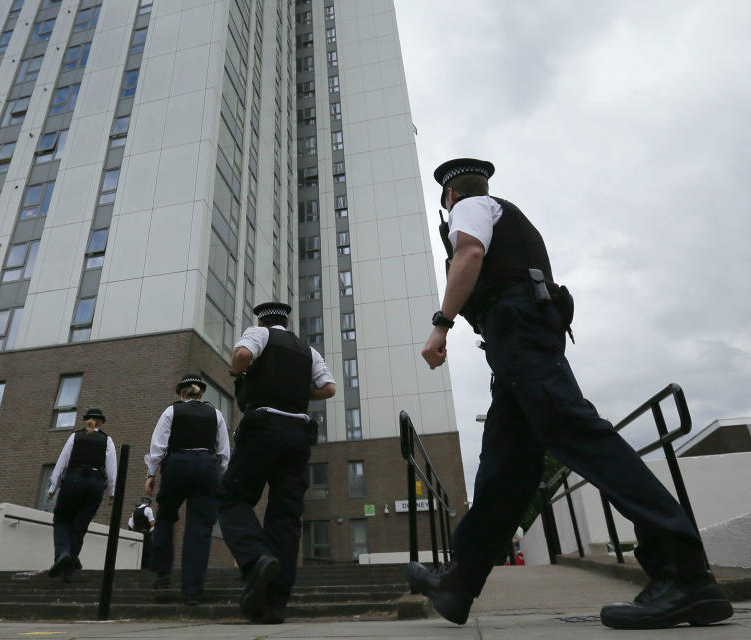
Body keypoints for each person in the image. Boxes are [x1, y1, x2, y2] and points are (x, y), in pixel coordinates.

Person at [409, 158, 733, 630]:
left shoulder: (471, 208)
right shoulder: (511, 217)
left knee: (575, 431)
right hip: (519, 337)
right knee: (505, 468)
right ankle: (459, 581)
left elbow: (470, 254)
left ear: (449, 197)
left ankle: (684, 573)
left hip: (516, 332)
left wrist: (441, 325)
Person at [219, 302, 336, 624]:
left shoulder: (259, 334)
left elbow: (242, 356)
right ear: (288, 321)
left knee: (232, 498)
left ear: (261, 319)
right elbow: (329, 388)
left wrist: (237, 373)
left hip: (263, 426)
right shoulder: (307, 351)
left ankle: (256, 559)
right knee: (285, 517)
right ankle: (274, 606)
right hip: (298, 434)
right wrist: (297, 392)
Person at [144, 374, 230, 605]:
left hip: (177, 464)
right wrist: (217, 475)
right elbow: (224, 452)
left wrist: (151, 474)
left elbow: (158, 447)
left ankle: (162, 574)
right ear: (201, 394)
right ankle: (192, 589)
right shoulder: (216, 414)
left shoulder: (171, 412)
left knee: (165, 518)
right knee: (199, 527)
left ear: (181, 393)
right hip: (207, 466)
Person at [47, 408, 116, 582]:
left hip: (74, 480)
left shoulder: (75, 437)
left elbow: (62, 462)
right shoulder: (107, 440)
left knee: (62, 519)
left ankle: (62, 553)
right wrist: (112, 492)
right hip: (95, 484)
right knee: (79, 526)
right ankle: (68, 572)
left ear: (86, 421)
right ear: (101, 423)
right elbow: (112, 469)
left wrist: (53, 486)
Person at [128, 496, 155, 569]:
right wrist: (150, 532)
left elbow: (130, 525)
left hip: (136, 535)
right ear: (148, 503)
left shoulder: (135, 511)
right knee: (148, 553)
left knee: (138, 553)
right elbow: (153, 524)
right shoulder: (148, 509)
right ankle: (146, 570)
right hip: (146, 535)